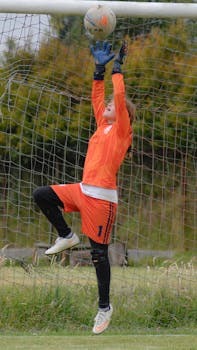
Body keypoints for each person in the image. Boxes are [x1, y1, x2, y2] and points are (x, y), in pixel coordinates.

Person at [33, 41, 135, 334]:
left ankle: (104, 308)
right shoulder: (102, 125)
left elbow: (119, 95)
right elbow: (97, 97)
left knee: (98, 255)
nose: (108, 107)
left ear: (123, 115)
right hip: (82, 189)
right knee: (42, 195)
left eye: (114, 107)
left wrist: (117, 70)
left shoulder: (121, 132)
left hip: (102, 198)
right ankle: (66, 234)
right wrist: (98, 69)